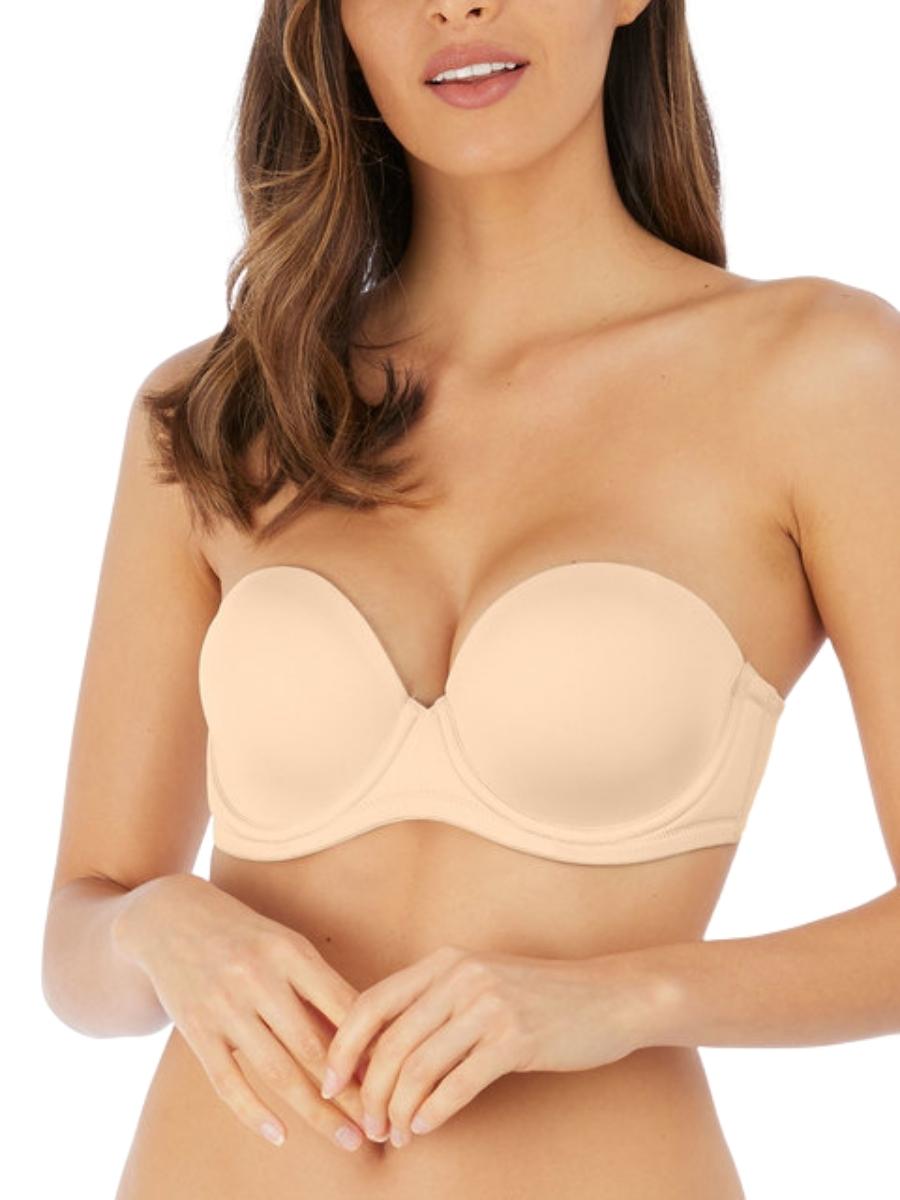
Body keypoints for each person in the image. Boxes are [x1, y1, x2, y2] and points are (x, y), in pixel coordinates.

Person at [41, 1, 900, 1197]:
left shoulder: (820, 377)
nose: (458, 7)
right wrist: (155, 924)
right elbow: (76, 940)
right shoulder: (226, 409)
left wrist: (622, 997)